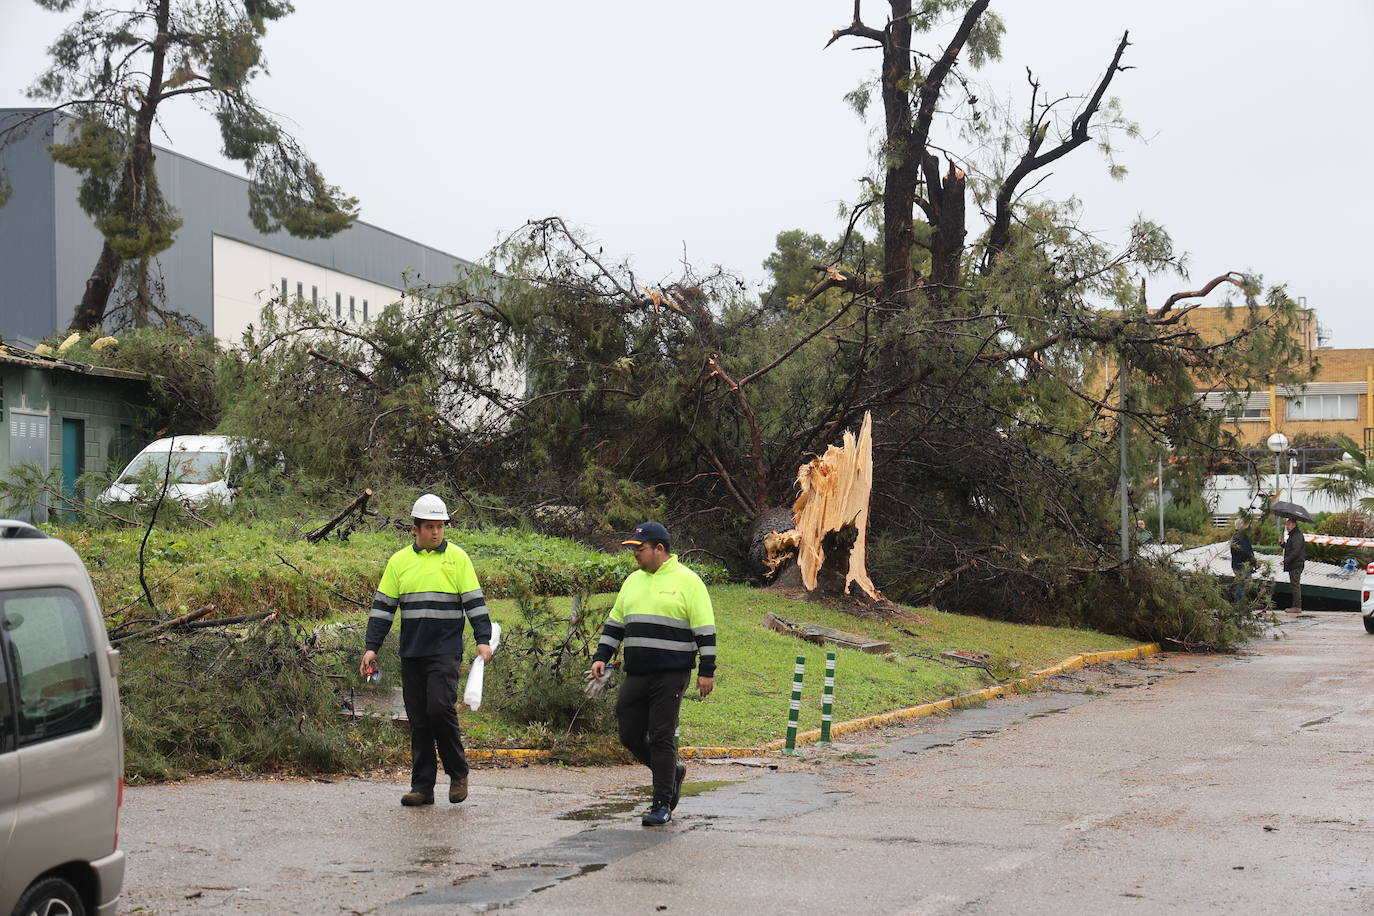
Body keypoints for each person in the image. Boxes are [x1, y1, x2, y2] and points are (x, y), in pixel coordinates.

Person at [360, 494, 493, 806]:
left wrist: (483, 638)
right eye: (430, 527)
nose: (436, 532)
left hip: (445, 650)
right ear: (415, 529)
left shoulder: (458, 559)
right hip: (412, 651)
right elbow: (383, 609)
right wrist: (371, 647)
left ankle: (458, 773)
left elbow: (474, 602)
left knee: (439, 709)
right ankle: (422, 787)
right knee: (418, 719)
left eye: (440, 526)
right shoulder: (399, 562)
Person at [590, 521, 716, 827]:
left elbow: (705, 630)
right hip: (637, 671)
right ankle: (672, 772)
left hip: (672, 673)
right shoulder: (633, 581)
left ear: (659, 549)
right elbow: (615, 624)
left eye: (639, 549)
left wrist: (706, 671)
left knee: (661, 736)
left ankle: (661, 804)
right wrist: (602, 656)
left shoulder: (689, 581)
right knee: (629, 734)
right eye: (633, 548)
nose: (635, 554)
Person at [1281, 517, 1306, 611]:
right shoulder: (1293, 535)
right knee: (1294, 585)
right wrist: (1283, 544)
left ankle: (1297, 606)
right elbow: (1290, 548)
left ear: (1293, 524)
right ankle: (1295, 605)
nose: (1287, 527)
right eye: (1286, 524)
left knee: (1295, 585)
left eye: (1288, 524)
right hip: (1294, 563)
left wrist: (1286, 560)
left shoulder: (1296, 536)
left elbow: (1296, 551)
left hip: (1296, 564)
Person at [1229, 517, 1255, 603]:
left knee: (1241, 586)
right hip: (1242, 566)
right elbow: (1246, 551)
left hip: (1237, 565)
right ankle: (1239, 605)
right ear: (1242, 526)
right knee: (1242, 587)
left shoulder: (1235, 536)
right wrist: (1254, 561)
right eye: (1246, 524)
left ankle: (1239, 605)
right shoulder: (1241, 537)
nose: (1248, 526)